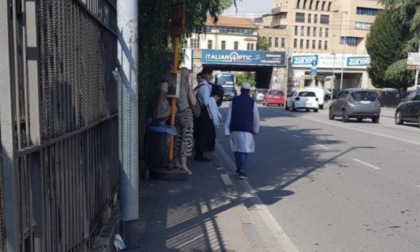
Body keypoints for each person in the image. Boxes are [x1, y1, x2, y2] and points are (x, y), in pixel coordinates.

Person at [224, 82, 260, 179]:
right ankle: (242, 171)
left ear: (241, 90)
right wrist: (256, 129)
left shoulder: (234, 101)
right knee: (245, 150)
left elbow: (229, 116)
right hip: (247, 129)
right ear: (249, 91)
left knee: (237, 149)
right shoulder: (252, 102)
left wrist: (227, 130)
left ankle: (239, 167)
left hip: (235, 128)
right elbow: (256, 117)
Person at [173, 67, 196, 174]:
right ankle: (184, 165)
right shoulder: (187, 85)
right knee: (186, 139)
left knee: (177, 138)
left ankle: (176, 162)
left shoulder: (175, 85)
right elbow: (193, 101)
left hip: (177, 114)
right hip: (186, 113)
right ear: (187, 75)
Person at [193, 67, 217, 162]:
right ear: (205, 75)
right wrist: (213, 98)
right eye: (210, 74)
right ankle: (200, 154)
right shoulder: (205, 86)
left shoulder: (201, 85)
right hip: (204, 112)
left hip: (201, 112)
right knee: (203, 134)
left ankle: (199, 153)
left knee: (201, 133)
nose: (211, 77)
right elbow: (206, 102)